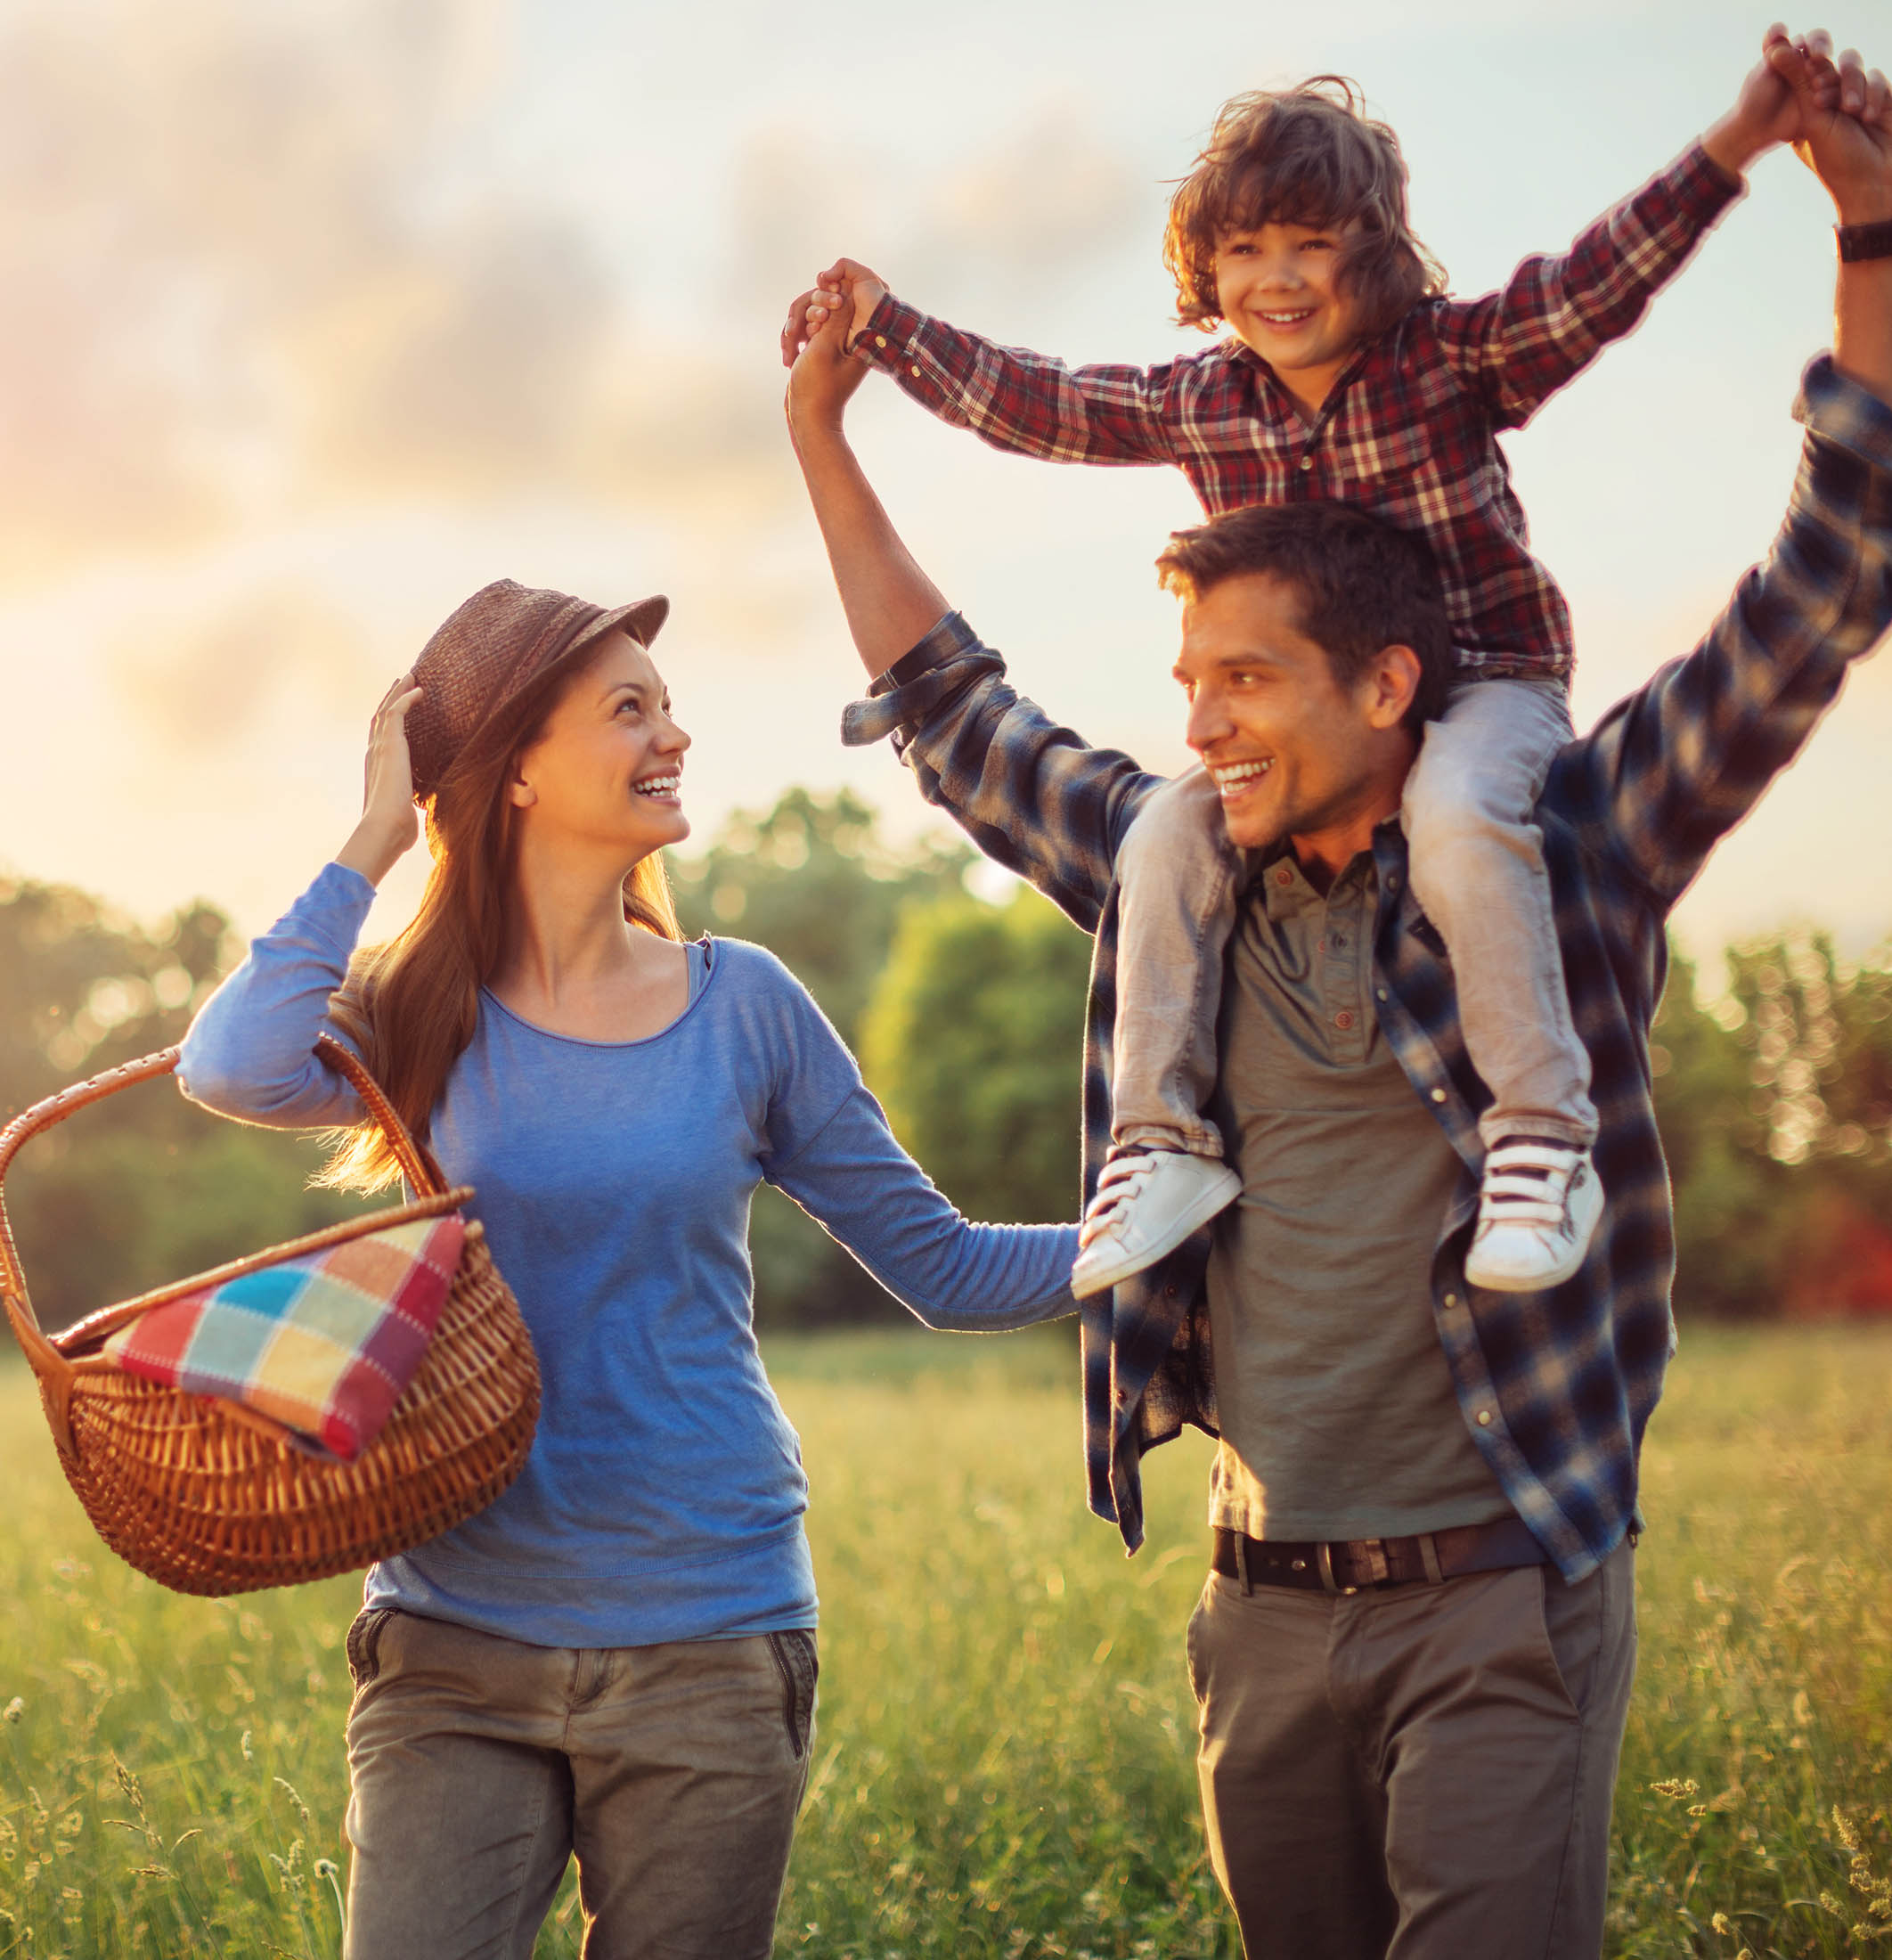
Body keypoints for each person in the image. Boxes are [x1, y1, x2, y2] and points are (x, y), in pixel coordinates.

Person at [782, 29, 1892, 1958]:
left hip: (1498, 1587)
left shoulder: (1566, 850)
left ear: (1389, 684)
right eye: (1187, 676)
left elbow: (1824, 572)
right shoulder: (1173, 872)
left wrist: (1874, 231)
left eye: (1246, 683)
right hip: (1254, 1600)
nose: (1197, 721)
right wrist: (825, 430)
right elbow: (959, 713)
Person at [781, 34, 1823, 1300]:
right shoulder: (1206, 401)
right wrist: (887, 331)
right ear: (1206, 269)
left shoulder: (1447, 360)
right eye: (1243, 251)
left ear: (1373, 253)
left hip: (1483, 684)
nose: (1276, 280)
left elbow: (1587, 288)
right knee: (1164, 839)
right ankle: (1162, 1143)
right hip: (1310, 745)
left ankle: (1542, 1131)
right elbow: (1042, 400)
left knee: (1453, 819)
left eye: (1311, 244)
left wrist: (1734, 147)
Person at [175, 579, 1080, 1960]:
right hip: (451, 1640)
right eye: (629, 709)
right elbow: (228, 1063)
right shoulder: (416, 1014)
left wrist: (1157, 1234)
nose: (676, 736)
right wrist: (378, 831)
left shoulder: (747, 1008)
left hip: (710, 1640)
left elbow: (944, 1270)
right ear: (519, 771)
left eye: (667, 704)